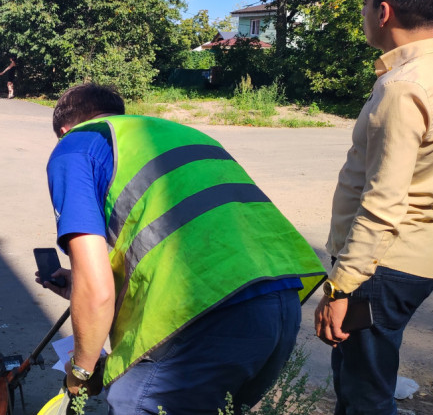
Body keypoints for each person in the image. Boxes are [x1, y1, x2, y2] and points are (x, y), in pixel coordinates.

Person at [37, 83, 326, 414]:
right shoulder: (175, 133)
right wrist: (80, 285)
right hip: (279, 303)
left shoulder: (75, 146)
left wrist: (80, 372)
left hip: (205, 315)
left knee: (135, 402)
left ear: (64, 130)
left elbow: (96, 291)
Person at [314, 0, 433, 415]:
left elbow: (383, 201)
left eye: (365, 3)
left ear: (383, 11)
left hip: (379, 267)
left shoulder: (403, 87)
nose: (364, 13)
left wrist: (340, 289)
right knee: (362, 385)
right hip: (417, 257)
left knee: (364, 396)